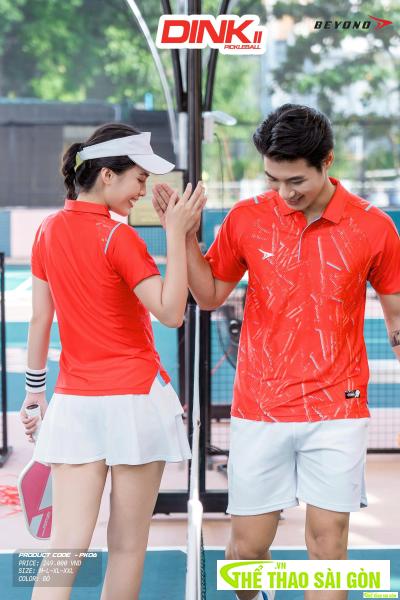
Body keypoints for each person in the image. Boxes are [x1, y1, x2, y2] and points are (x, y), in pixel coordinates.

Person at [152, 104, 400, 600]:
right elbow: (210, 294)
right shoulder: (247, 218)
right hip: (260, 407)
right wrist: (183, 237)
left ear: (327, 162)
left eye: (296, 181)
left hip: (337, 407)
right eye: (273, 180)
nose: (285, 193)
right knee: (245, 552)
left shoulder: (374, 227)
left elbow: (396, 317)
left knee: (328, 545)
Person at [19, 122, 206, 600]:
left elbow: (41, 320)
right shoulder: (118, 238)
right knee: (126, 546)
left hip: (75, 405)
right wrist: (175, 233)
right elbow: (171, 313)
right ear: (107, 175)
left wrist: (34, 395)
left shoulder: (46, 231)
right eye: (139, 179)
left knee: (65, 547)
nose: (142, 190)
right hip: (136, 403)